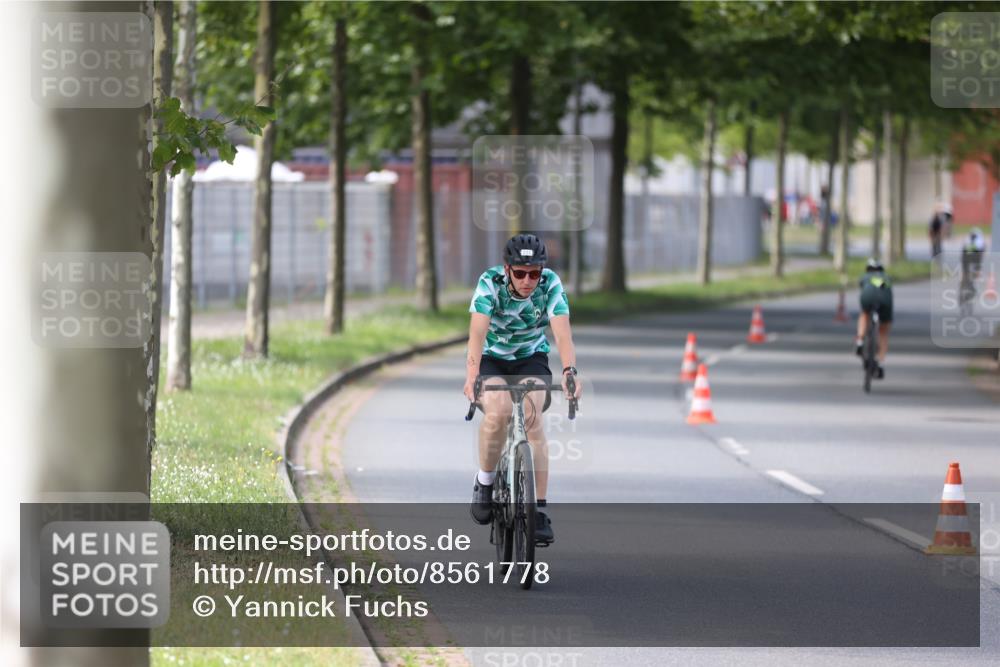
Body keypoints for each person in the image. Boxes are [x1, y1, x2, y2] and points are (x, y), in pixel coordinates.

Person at [463, 233, 582, 546]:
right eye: (520, 273)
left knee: (532, 418)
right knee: (498, 412)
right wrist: (472, 375)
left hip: (531, 358)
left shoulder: (550, 283)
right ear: (507, 270)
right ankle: (485, 482)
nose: (528, 280)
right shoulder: (489, 283)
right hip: (492, 358)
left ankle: (537, 510)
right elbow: (477, 333)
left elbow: (563, 333)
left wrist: (569, 372)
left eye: (534, 273)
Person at [855, 258, 893, 379]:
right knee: (883, 331)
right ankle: (880, 364)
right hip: (885, 301)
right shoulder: (887, 277)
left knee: (864, 314)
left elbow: (862, 287)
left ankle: (860, 341)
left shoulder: (865, 276)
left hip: (868, 297)